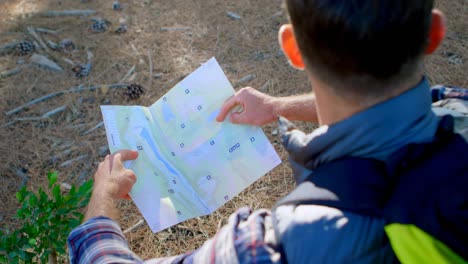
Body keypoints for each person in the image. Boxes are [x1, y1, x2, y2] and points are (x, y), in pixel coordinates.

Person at [68, 0, 468, 263]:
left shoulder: (282, 245)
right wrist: (279, 108)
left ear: (292, 48)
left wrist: (101, 203)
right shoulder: (459, 107)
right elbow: (397, 108)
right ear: (434, 33)